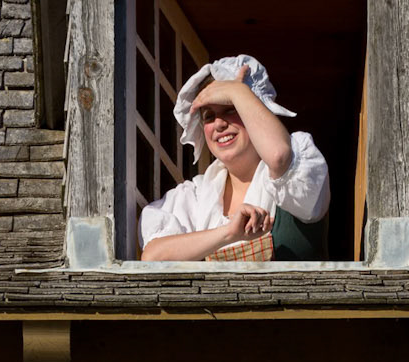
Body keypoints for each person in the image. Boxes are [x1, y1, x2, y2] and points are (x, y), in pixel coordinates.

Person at [139, 55, 330, 261]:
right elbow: (152, 257)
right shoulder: (196, 197)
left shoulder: (297, 171)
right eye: (209, 116)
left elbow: (279, 157)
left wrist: (237, 91)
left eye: (231, 108)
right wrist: (229, 233)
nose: (219, 124)